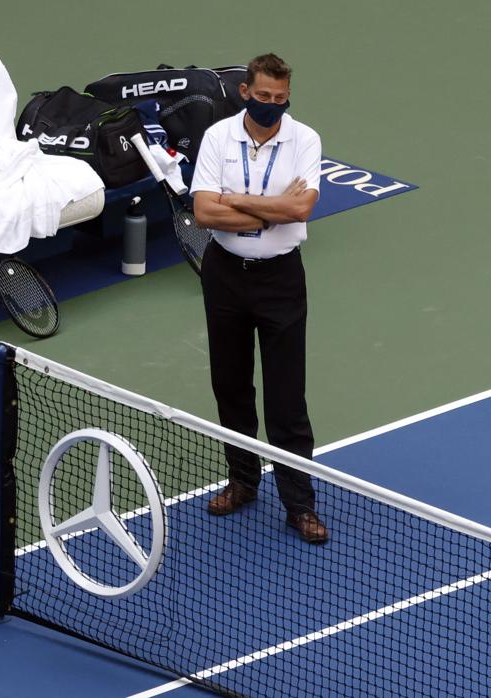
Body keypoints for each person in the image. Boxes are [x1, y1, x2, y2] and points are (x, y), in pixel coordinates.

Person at [190, 53, 327, 544]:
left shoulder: (304, 140)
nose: (272, 105)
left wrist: (234, 200)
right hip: (224, 275)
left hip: (280, 281)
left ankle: (300, 504)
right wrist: (267, 212)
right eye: (263, 96)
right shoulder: (217, 137)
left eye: (280, 98)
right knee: (231, 388)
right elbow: (203, 212)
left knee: (287, 399)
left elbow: (302, 207)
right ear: (245, 92)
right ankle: (243, 482)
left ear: (287, 96)